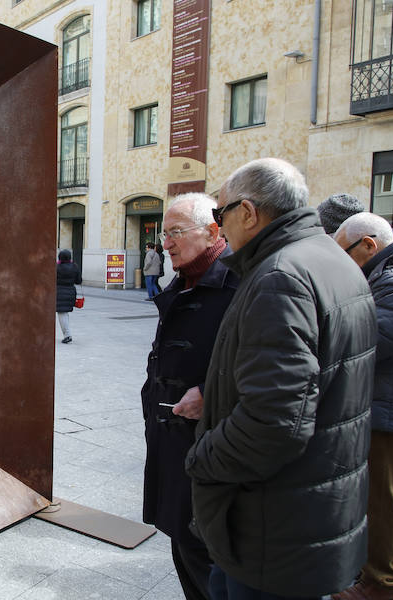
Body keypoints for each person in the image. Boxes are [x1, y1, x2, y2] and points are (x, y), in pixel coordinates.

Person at [184, 158, 377, 600]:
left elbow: (274, 422)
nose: (219, 228)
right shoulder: (332, 260)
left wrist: (202, 456)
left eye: (221, 215)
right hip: (312, 509)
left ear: (248, 213)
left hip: (273, 524)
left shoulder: (280, 277)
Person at [141, 193, 239, 600]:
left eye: (176, 232)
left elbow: (267, 366)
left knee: (208, 553)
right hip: (173, 433)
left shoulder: (240, 281)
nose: (166, 243)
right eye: (165, 234)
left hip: (211, 442)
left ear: (213, 231)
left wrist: (211, 396)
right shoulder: (185, 279)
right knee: (183, 542)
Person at [332, 213, 393, 600]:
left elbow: (374, 340)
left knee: (380, 497)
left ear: (369, 245)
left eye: (345, 254)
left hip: (392, 405)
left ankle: (379, 584)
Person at [56, 249, 81, 344]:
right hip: (70, 292)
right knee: (64, 313)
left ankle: (67, 335)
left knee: (62, 313)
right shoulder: (74, 267)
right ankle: (67, 334)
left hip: (59, 292)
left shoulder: (57, 267)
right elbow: (79, 281)